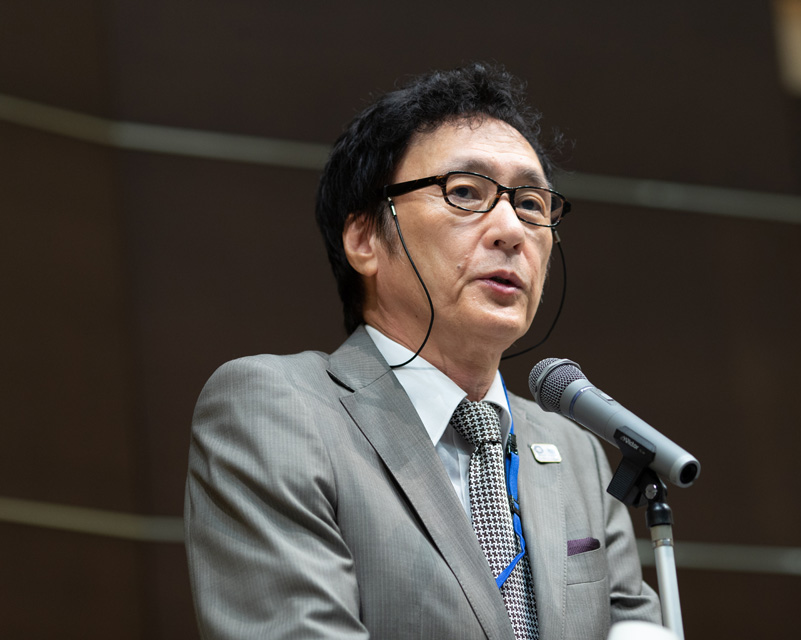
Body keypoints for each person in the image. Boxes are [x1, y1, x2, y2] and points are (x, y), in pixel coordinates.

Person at [184, 62, 661, 639]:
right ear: (364, 238)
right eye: (465, 192)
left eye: (533, 204)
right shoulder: (277, 411)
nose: (512, 230)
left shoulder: (576, 450)